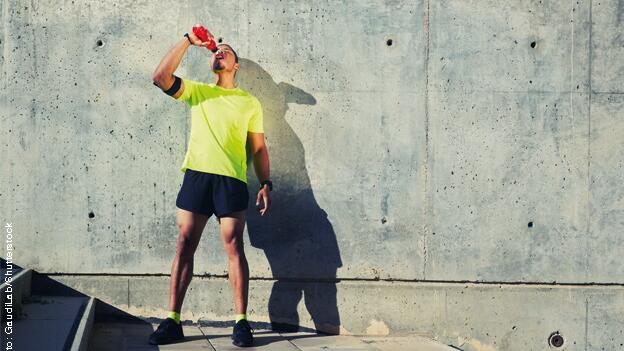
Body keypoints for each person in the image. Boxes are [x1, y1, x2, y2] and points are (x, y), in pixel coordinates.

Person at [148, 28, 272, 347]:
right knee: (185, 242)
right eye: (218, 51)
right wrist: (189, 41)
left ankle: (241, 322)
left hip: (231, 181)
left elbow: (258, 148)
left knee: (233, 245)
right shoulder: (199, 92)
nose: (220, 53)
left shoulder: (249, 102)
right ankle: (173, 320)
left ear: (236, 65)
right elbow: (160, 77)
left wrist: (266, 182)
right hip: (197, 177)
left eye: (226, 51)